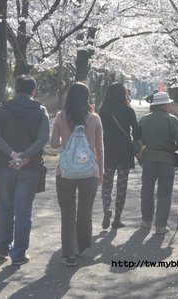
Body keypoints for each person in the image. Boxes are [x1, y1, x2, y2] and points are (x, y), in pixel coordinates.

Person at [0, 75, 50, 265]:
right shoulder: (41, 111)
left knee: (5, 207)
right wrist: (24, 157)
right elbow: (42, 139)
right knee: (23, 210)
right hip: (29, 167)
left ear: (15, 90)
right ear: (33, 91)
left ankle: (2, 248)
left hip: (4, 165)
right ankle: (19, 253)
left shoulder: (2, 109)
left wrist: (12, 153)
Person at [50, 82, 104, 266]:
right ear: (87, 97)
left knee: (67, 212)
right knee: (84, 210)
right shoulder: (95, 118)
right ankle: (81, 246)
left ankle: (70, 253)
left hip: (65, 171)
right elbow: (99, 148)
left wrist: (64, 137)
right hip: (89, 171)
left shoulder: (60, 116)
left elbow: (54, 144)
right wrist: (101, 170)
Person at [138, 91, 178, 234]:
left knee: (147, 190)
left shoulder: (145, 119)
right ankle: (160, 225)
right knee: (164, 193)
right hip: (166, 160)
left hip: (149, 160)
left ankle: (146, 221)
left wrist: (139, 156)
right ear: (165, 105)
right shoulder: (171, 119)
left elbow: (137, 139)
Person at [99, 83, 140, 229]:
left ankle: (106, 210)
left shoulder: (103, 111)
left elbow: (99, 131)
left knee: (107, 184)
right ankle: (117, 219)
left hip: (108, 151)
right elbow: (136, 132)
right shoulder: (129, 111)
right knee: (122, 185)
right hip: (124, 151)